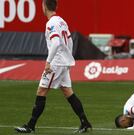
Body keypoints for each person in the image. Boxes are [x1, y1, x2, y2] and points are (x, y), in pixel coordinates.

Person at [14, 0, 92, 133]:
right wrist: (69, 58)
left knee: (41, 91)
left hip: (56, 63)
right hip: (63, 61)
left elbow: (56, 43)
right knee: (68, 92)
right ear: (56, 6)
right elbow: (70, 40)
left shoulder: (51, 23)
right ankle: (85, 122)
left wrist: (48, 61)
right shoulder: (61, 21)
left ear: (44, 6)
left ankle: (30, 126)